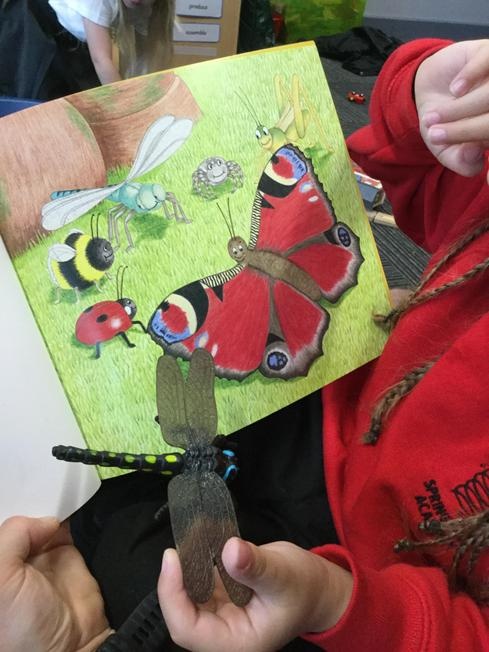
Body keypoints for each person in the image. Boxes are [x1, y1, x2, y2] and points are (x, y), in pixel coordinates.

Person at [1, 36, 489, 651]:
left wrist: (334, 600)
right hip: (341, 403)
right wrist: (421, 103)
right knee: (135, 449)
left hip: (374, 594)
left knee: (143, 553)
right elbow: (432, 172)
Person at [47, 0, 175, 85]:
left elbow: (149, 54)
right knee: (59, 94)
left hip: (85, 38)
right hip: (48, 25)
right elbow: (101, 59)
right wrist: (123, 102)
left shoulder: (154, 5)